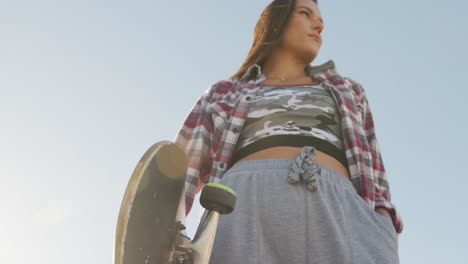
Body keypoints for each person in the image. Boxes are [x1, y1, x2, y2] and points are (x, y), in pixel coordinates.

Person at [174, 0, 403, 263]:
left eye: (320, 20)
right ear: (276, 22)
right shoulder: (224, 92)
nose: (318, 25)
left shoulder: (350, 91)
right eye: (305, 13)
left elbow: (377, 177)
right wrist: (163, 237)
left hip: (339, 214)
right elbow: (179, 174)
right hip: (240, 212)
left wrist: (382, 226)